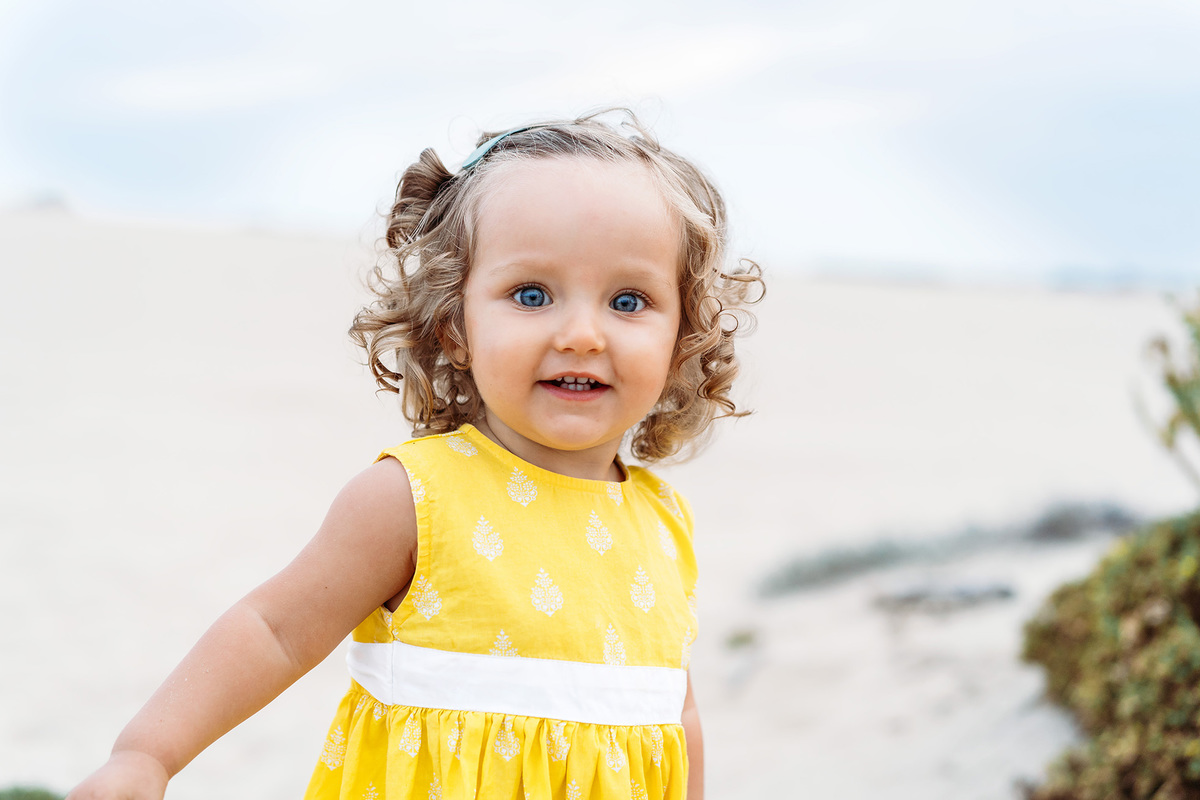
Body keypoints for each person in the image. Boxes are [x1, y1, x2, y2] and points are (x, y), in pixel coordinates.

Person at [67, 110, 763, 800]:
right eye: (531, 294)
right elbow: (274, 631)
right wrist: (147, 755)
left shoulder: (665, 522)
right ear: (454, 324)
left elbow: (674, 709)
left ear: (683, 334)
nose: (582, 333)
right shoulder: (416, 497)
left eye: (629, 300)